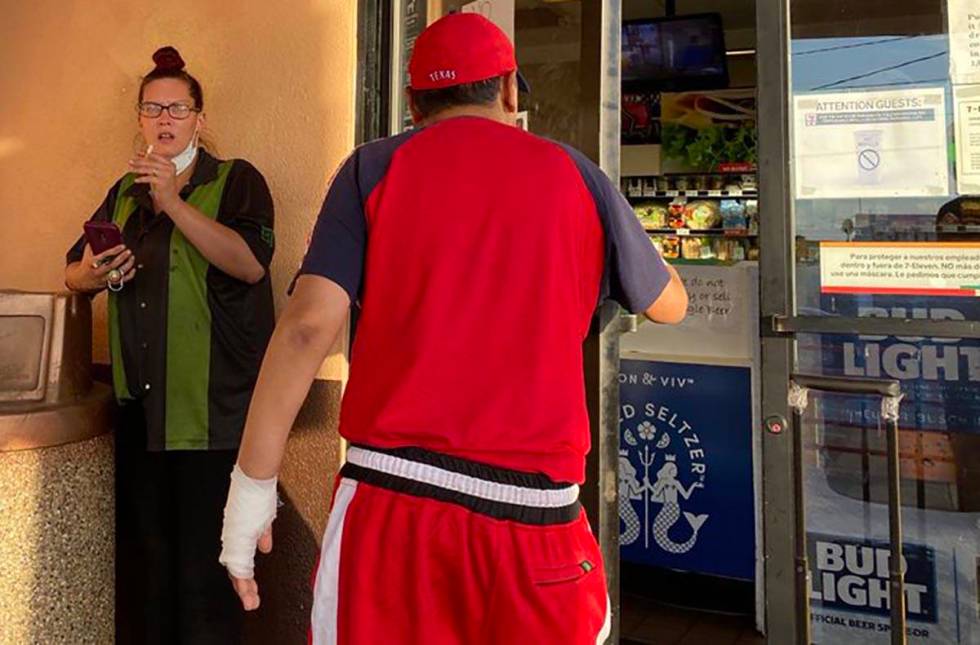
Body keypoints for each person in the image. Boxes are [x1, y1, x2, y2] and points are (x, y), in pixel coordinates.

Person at [219, 13, 687, 645]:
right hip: (535, 520)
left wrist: (250, 491)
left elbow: (307, 328)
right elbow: (669, 305)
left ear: (413, 104)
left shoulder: (371, 169)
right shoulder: (578, 177)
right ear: (511, 92)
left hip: (391, 503)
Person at [64, 46, 276, 644]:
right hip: (141, 415)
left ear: (199, 119)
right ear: (138, 118)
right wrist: (102, 273)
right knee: (147, 576)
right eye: (152, 107)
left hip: (213, 415)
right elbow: (74, 274)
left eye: (177, 108)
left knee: (205, 579)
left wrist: (174, 202)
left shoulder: (235, 179)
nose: (165, 119)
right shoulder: (123, 192)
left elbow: (251, 265)